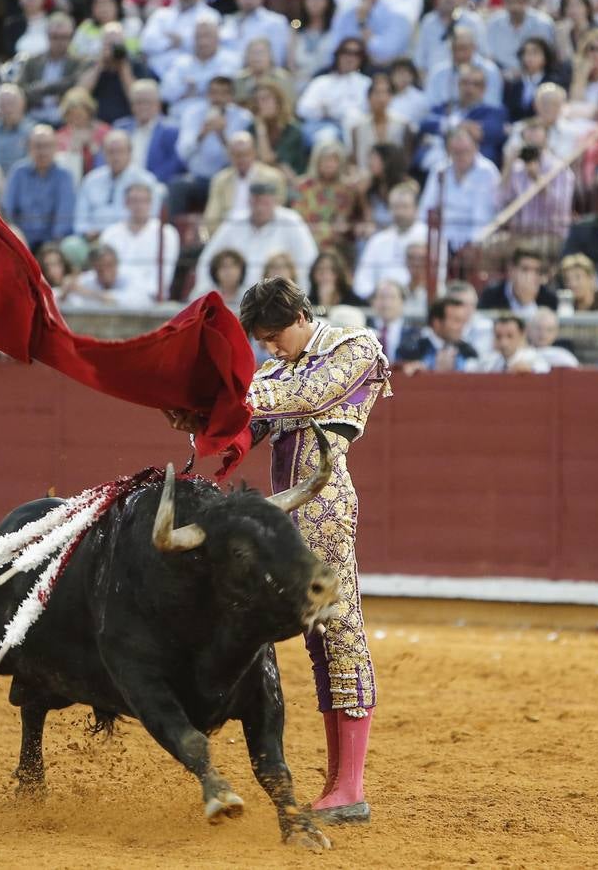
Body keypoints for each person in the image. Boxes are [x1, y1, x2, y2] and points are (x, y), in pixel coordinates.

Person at [165, 276, 389, 825]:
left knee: (339, 629)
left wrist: (233, 394)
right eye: (261, 340)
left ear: (300, 315)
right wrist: (202, 421)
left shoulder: (353, 347)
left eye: (274, 335)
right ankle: (340, 785)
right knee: (316, 639)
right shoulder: (270, 372)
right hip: (283, 518)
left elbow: (308, 396)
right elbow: (246, 428)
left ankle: (352, 786)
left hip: (327, 505)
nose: (269, 347)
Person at [195, 180, 319, 294]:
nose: (260, 208)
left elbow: (308, 263)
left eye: (265, 202)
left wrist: (301, 299)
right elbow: (207, 260)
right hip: (236, 298)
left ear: (275, 201)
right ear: (249, 201)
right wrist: (208, 293)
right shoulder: (234, 221)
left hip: (278, 298)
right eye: (256, 202)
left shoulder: (291, 221)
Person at [418, 127, 500, 253]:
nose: (461, 156)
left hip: (477, 239)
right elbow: (425, 210)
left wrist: (473, 244)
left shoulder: (487, 171)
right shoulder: (440, 170)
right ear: (449, 151)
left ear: (476, 148)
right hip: (443, 239)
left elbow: (484, 215)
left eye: (465, 151)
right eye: (456, 152)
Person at [73, 129, 160, 240]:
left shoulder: (146, 181)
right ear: (103, 154)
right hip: (93, 240)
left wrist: (117, 233)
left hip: (130, 237)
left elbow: (151, 217)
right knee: (71, 245)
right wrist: (86, 231)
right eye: (111, 152)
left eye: (120, 151)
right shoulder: (91, 180)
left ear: (129, 153)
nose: (115, 157)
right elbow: (80, 217)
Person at [3, 123, 77, 251]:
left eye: (47, 146)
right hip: (20, 239)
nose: (42, 151)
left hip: (53, 242)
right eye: (37, 146)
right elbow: (7, 211)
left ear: (55, 148)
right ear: (29, 148)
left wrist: (50, 247)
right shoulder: (18, 172)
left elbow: (64, 217)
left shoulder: (64, 176)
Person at [200, 130, 284, 235]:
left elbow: (277, 215)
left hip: (262, 233)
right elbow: (211, 216)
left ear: (254, 153)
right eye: (237, 155)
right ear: (229, 156)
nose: (241, 159)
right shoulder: (220, 180)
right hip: (228, 234)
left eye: (245, 154)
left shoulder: (272, 177)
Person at [138, 0, 219, 77]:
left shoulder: (210, 16)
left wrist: (175, 40)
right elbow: (146, 43)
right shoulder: (161, 14)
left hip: (189, 74)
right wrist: (173, 42)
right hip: (154, 72)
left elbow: (202, 47)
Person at [353, 181, 425, 301]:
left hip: (418, 303)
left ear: (416, 208)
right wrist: (376, 297)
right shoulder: (378, 240)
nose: (400, 212)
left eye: (405, 207)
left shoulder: (429, 236)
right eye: (395, 207)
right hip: (381, 303)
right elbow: (362, 280)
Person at [296, 36, 371, 145]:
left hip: (354, 129)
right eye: (346, 52)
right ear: (338, 55)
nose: (350, 58)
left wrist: (337, 110)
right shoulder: (321, 82)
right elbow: (302, 109)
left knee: (353, 119)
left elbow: (366, 112)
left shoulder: (366, 83)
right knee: (326, 135)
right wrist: (324, 111)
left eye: (356, 54)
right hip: (322, 125)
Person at [290, 140, 361, 255]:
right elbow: (299, 219)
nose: (329, 164)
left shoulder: (346, 189)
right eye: (326, 160)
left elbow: (341, 224)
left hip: (335, 244)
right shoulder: (302, 186)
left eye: (334, 160)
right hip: (305, 238)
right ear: (317, 162)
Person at [329, 0, 412, 66]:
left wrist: (362, 23)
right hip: (350, 69)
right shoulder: (346, 16)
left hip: (385, 70)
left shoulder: (396, 15)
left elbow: (386, 53)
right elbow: (335, 48)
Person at [159, 18, 238, 117]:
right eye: (199, 37)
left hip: (218, 116)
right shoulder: (181, 62)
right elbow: (166, 93)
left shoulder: (231, 60)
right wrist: (189, 88)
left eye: (207, 36)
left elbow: (224, 90)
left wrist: (191, 89)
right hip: (180, 116)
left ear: (218, 38)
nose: (203, 42)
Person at [17, 13, 85, 126]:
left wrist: (43, 88)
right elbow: (21, 89)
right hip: (33, 118)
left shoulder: (78, 62)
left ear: (71, 37)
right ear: (47, 36)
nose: (59, 42)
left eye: (64, 37)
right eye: (55, 37)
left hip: (65, 119)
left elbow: (75, 84)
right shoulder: (33, 61)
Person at [113, 79, 184, 184]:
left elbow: (175, 162)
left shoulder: (170, 130)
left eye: (147, 102)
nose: (143, 107)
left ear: (158, 104)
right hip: (120, 183)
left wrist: (148, 182)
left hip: (155, 185)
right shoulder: (121, 128)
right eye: (138, 102)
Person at [485, 0, 554, 76]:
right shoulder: (494, 23)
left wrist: (522, 73)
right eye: (509, 1)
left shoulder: (543, 23)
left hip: (534, 75)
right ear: (504, 1)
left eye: (519, 2)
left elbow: (547, 58)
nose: (514, 7)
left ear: (527, 1)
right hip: (501, 76)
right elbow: (489, 56)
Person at [221, 0, 290, 67]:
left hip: (263, 77)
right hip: (230, 75)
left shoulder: (276, 22)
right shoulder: (228, 21)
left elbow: (277, 60)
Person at [397, 294, 478, 373]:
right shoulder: (410, 350)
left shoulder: (468, 351)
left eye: (462, 321)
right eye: (456, 321)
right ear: (437, 323)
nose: (461, 326)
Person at [250, 79, 308, 184]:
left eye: (265, 99)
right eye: (257, 100)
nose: (261, 104)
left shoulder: (292, 130)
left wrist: (261, 130)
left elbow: (267, 159)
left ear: (278, 101)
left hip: (288, 182)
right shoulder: (251, 128)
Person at [62, 243, 153, 308]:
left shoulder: (132, 276)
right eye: (100, 267)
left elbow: (140, 301)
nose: (105, 271)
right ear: (94, 267)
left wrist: (91, 294)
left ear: (117, 263)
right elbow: (70, 300)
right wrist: (66, 292)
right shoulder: (87, 279)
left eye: (109, 265)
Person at [287, 0, 337, 90]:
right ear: (303, 1)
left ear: (328, 1)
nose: (315, 2)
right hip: (300, 81)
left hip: (328, 82)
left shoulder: (335, 28)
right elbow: (290, 63)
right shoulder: (295, 26)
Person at [480, 248, 558, 318]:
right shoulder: (491, 296)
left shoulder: (549, 299)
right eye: (525, 269)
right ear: (511, 270)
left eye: (536, 271)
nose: (530, 276)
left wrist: (528, 303)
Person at [0, 85, 35, 176]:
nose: (7, 109)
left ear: (23, 104)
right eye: (3, 105)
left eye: (11, 104)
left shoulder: (33, 133)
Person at [475, 314, 546, 373]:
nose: (503, 343)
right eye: (498, 336)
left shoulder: (534, 359)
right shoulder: (488, 363)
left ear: (522, 335)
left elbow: (545, 372)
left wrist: (530, 370)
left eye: (510, 336)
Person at [367, 279, 415, 363]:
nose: (386, 303)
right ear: (373, 301)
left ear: (402, 302)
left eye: (392, 297)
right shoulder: (364, 329)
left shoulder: (415, 334)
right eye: (382, 297)